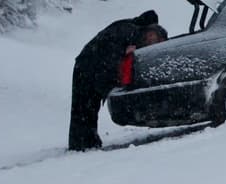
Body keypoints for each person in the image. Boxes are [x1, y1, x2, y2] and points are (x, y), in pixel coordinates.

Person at [68, 10, 166, 151]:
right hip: (87, 67)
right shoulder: (128, 30)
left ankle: (86, 141)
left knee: (87, 107)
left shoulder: (130, 28)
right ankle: (81, 144)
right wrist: (123, 52)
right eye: (155, 38)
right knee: (84, 107)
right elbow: (108, 51)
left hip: (89, 66)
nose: (152, 42)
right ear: (150, 30)